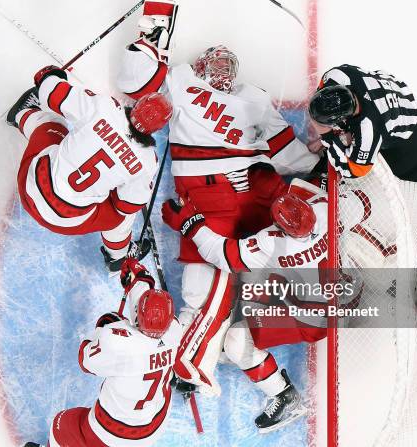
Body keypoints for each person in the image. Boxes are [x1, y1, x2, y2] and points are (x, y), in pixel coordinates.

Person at [117, 0, 319, 395]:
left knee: (209, 291)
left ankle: (193, 364)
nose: (223, 71)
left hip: (239, 198)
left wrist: (314, 163)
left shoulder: (254, 97)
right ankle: (203, 362)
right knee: (210, 292)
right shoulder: (181, 82)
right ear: (201, 66)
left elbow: (285, 151)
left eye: (229, 65)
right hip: (207, 199)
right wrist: (150, 34)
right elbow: (135, 84)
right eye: (217, 63)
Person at [162, 178, 365, 433]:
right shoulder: (327, 207)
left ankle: (285, 397)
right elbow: (363, 202)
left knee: (237, 342)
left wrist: (188, 223)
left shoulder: (271, 241)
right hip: (347, 294)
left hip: (313, 318)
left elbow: (222, 255)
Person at [6, 66, 172, 270]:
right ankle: (117, 256)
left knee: (54, 123)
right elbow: (126, 206)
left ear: (138, 105)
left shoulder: (104, 107)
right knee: (124, 216)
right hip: (65, 220)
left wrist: (51, 76)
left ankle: (22, 113)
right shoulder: (147, 162)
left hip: (31, 185)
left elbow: (50, 92)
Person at [23, 259, 183, 447]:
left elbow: (85, 360)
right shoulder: (175, 329)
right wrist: (140, 281)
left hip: (115, 433)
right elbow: (147, 320)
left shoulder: (115, 342)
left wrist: (102, 328)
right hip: (156, 421)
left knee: (63, 425)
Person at [309, 64, 417, 187]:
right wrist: (328, 134)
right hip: (388, 88)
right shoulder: (336, 76)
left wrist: (327, 137)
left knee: (407, 166)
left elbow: (355, 169)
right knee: (346, 140)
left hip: (404, 114)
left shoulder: (369, 130)